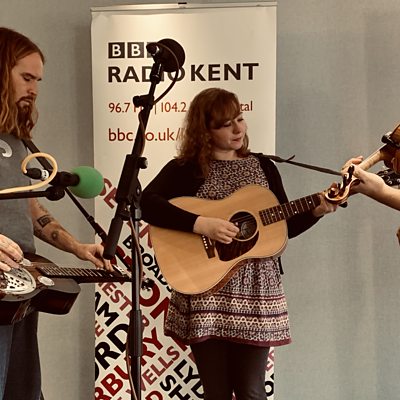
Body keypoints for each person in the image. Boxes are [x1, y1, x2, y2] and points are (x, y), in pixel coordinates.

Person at [140, 87, 338, 400]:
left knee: (251, 392)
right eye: (225, 124)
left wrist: (316, 211)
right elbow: (146, 204)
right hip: (206, 290)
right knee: (216, 393)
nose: (238, 129)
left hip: (257, 292)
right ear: (204, 130)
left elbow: (281, 228)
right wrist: (200, 223)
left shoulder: (264, 167)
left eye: (240, 119)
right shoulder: (186, 169)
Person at [0, 27, 110, 400]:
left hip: (19, 285)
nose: (34, 89)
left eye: (38, 81)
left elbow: (31, 209)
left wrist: (77, 247)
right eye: (26, 77)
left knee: (22, 389)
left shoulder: (19, 141)